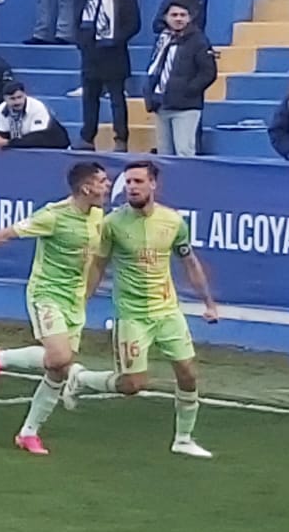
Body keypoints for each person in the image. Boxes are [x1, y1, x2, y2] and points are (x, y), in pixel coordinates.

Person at [0, 160, 112, 455]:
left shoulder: (98, 216)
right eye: (102, 181)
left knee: (58, 370)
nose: (108, 185)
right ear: (86, 187)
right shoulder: (53, 216)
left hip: (74, 299)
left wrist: (88, 291)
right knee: (61, 356)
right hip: (47, 293)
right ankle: (1, 358)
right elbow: (5, 234)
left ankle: (29, 432)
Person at [72, 160, 218, 458]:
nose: (132, 188)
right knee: (132, 385)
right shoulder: (112, 224)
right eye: (128, 182)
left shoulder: (173, 222)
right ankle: (81, 378)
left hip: (167, 311)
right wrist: (81, 303)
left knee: (188, 373)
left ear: (154, 184)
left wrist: (209, 303)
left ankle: (183, 439)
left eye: (138, 182)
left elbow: (189, 262)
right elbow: (98, 264)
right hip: (132, 315)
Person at [76, 0, 139, 150]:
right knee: (89, 98)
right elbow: (80, 19)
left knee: (116, 99)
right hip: (91, 55)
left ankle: (121, 137)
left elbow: (133, 24)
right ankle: (87, 137)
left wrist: (116, 40)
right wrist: (82, 42)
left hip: (114, 55)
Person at [143, 2, 218, 156]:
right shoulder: (162, 40)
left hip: (186, 107)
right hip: (161, 104)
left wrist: (188, 91)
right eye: (174, 15)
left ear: (190, 18)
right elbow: (155, 68)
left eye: (183, 15)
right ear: (165, 17)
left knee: (184, 152)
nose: (178, 19)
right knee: (164, 154)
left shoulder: (199, 41)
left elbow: (208, 73)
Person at [0, 82, 70, 149]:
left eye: (19, 97)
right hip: (25, 144)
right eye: (12, 99)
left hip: (54, 145)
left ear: (25, 95)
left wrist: (7, 142)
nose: (17, 102)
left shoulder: (37, 107)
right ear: (5, 99)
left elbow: (36, 139)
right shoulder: (1, 109)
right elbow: (4, 133)